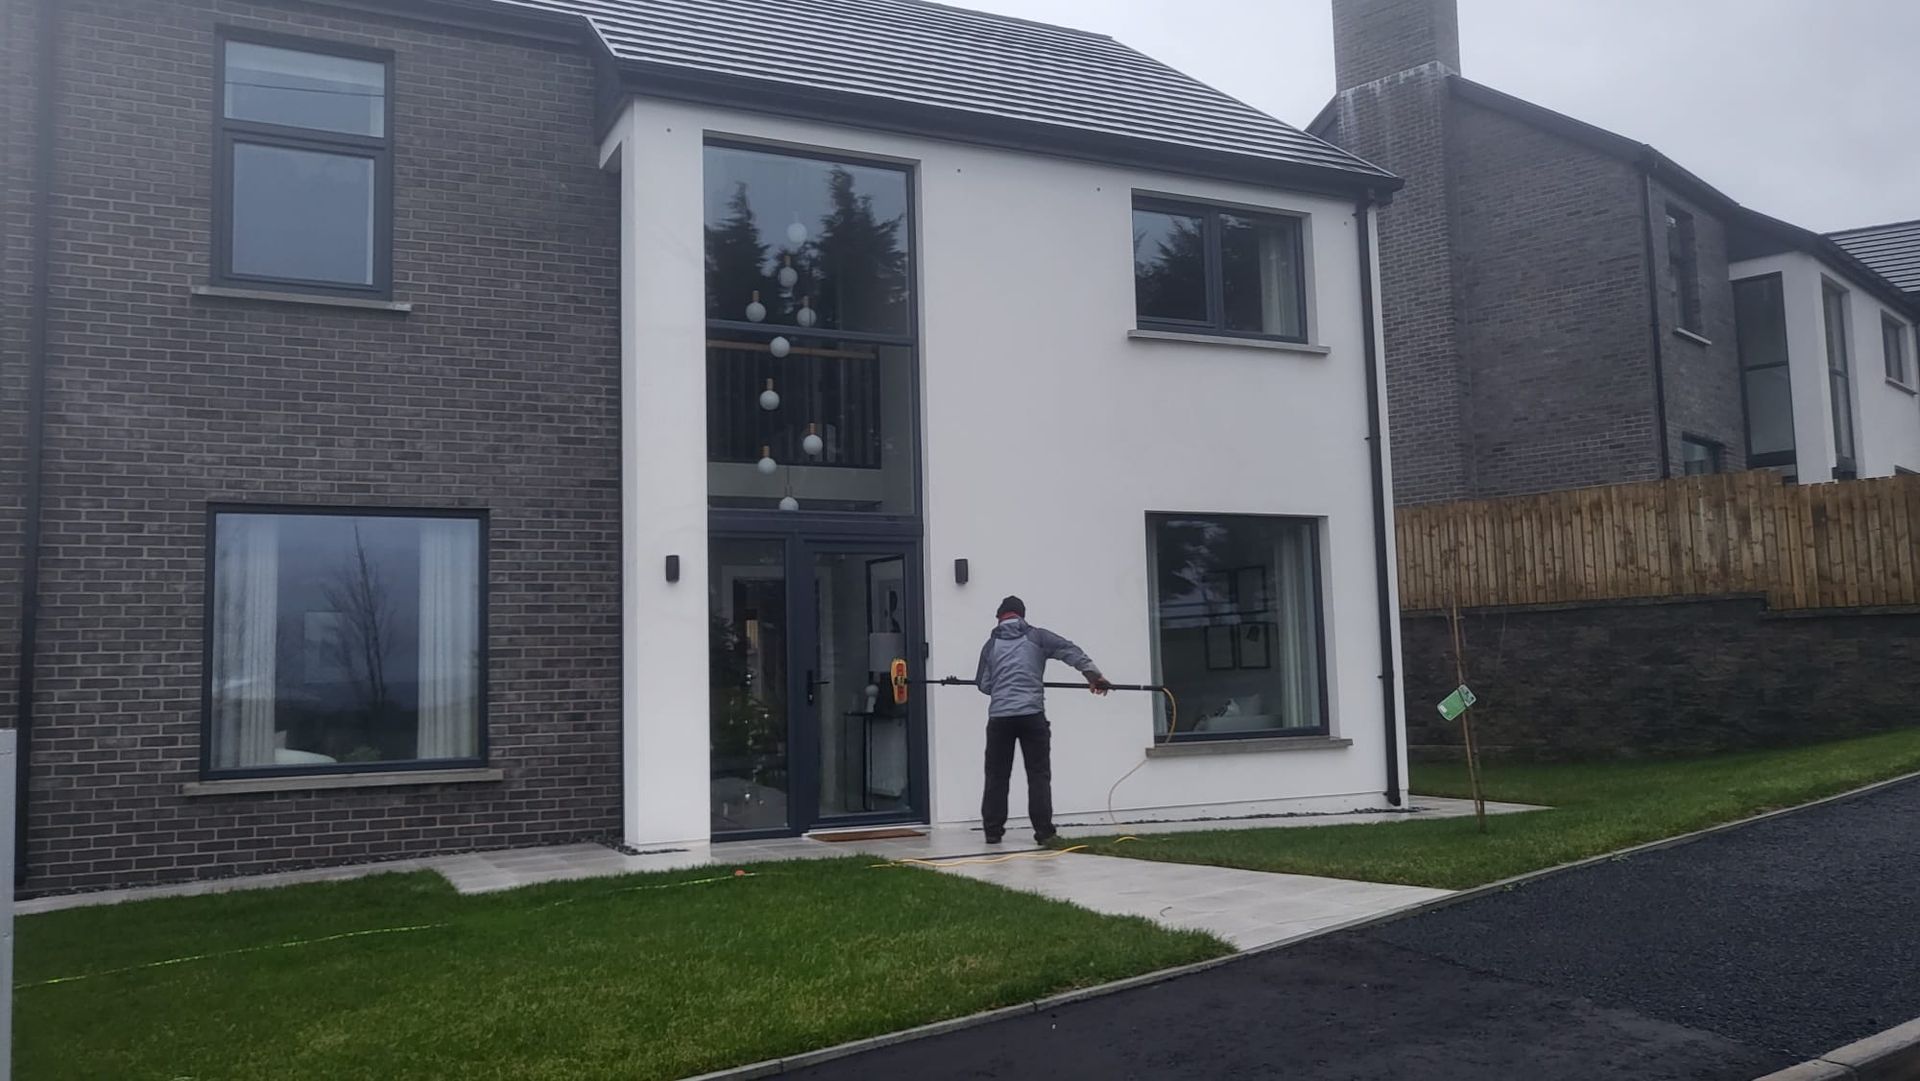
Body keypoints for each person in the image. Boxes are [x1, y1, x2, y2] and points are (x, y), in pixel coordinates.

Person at [974, 595, 1110, 845]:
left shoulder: (990, 645)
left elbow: (984, 684)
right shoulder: (1039, 637)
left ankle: (992, 832)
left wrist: (1005, 689)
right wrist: (1093, 677)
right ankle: (1044, 832)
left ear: (999, 617)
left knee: (996, 775)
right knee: (1038, 774)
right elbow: (1071, 651)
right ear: (1022, 615)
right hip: (1032, 716)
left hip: (1000, 719)